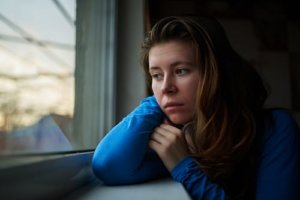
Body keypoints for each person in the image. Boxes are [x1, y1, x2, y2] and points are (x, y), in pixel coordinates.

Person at [92, 16, 300, 199]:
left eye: (181, 71)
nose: (166, 87)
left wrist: (184, 168)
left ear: (217, 74)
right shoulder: (173, 132)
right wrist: (159, 99)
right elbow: (108, 166)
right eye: (156, 75)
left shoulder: (275, 129)